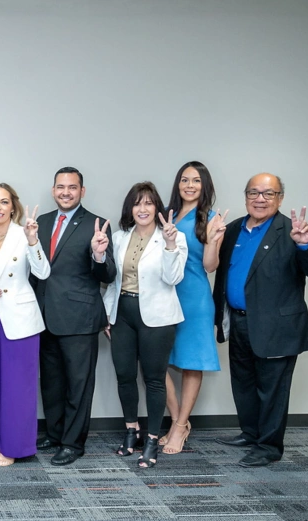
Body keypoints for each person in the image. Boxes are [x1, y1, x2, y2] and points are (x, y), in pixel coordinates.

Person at [212, 173, 308, 467]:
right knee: (243, 382)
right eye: (254, 193)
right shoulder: (232, 229)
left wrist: (306, 245)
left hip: (276, 325)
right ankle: (251, 433)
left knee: (273, 389)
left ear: (280, 198)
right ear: (245, 197)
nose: (260, 199)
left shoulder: (295, 231)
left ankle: (269, 447)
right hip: (237, 320)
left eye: (268, 193)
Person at [32, 167, 116, 466]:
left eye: (72, 187)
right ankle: (55, 434)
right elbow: (34, 272)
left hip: (79, 317)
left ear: (82, 191)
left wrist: (99, 254)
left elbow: (108, 274)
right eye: (60, 186)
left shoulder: (96, 225)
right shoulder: (40, 223)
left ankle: (73, 443)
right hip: (43, 317)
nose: (65, 192)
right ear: (53, 189)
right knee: (51, 383)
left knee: (78, 384)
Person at [103, 182, 187, 468]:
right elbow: (112, 280)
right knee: (124, 375)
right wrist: (107, 315)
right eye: (137, 203)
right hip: (123, 312)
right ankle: (131, 431)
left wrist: (171, 244)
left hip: (157, 318)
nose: (143, 208)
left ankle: (152, 438)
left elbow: (173, 278)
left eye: (149, 203)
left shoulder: (174, 237)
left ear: (157, 208)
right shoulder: (119, 237)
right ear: (131, 208)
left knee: (154, 378)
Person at [0, 183, 50, 466]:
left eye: (4, 202)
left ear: (13, 206)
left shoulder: (23, 234)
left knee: (18, 386)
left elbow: (43, 271)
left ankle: (15, 447)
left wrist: (32, 240)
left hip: (19, 321)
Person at [159, 162, 228, 455]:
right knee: (155, 361)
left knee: (191, 363)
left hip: (195, 298)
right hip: (163, 296)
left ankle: (179, 426)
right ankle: (178, 420)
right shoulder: (167, 215)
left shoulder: (211, 219)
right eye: (184, 180)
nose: (189, 185)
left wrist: (213, 241)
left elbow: (210, 266)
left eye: (196, 180)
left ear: (205, 185)